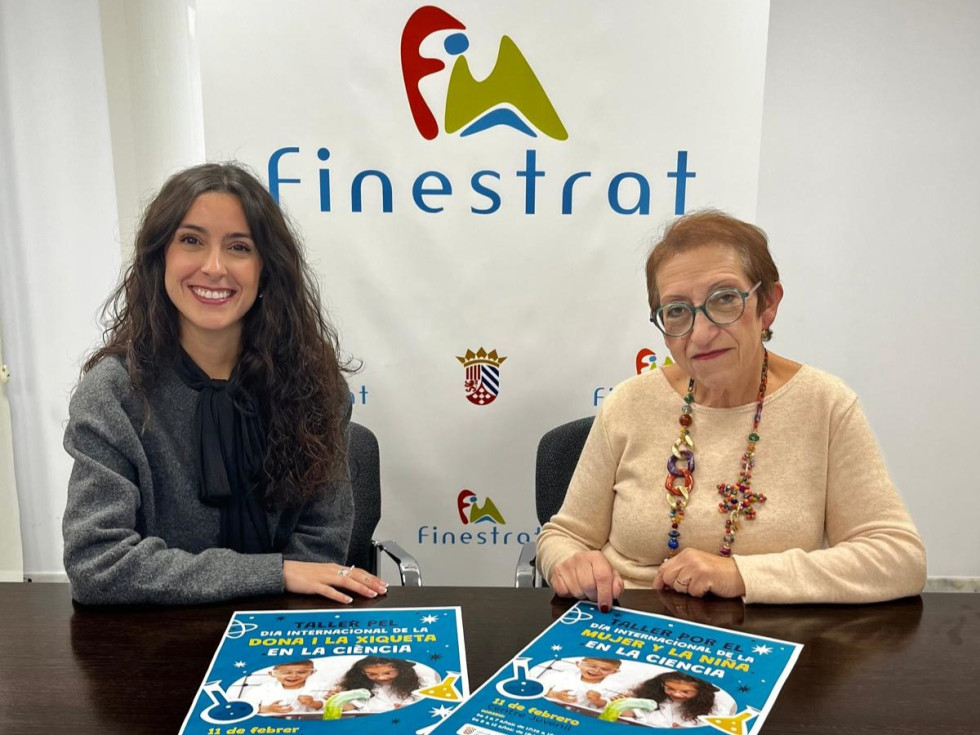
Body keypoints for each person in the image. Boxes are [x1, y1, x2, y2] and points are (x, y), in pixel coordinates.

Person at [535, 210, 926, 607]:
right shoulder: (628, 404)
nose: (701, 335)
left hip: (766, 638)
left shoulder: (826, 405)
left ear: (768, 304)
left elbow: (898, 558)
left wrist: (742, 574)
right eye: (676, 311)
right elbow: (563, 537)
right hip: (626, 629)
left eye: (724, 300)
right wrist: (570, 563)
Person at [62, 162, 388, 605]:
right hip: (153, 648)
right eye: (191, 240)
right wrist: (274, 573)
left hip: (285, 640)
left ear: (265, 269)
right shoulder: (114, 394)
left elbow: (320, 546)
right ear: (160, 258)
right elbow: (97, 564)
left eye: (239, 247)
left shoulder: (313, 381)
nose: (214, 267)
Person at [618, 672, 734, 728]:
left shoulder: (715, 708)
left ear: (701, 692)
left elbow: (715, 726)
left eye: (685, 692)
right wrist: (622, 705)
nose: (676, 694)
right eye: (670, 688)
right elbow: (634, 713)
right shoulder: (649, 695)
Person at [332, 656, 436, 713]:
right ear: (363, 672)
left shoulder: (423, 683)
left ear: (401, 670)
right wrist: (338, 701)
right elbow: (351, 706)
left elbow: (429, 706)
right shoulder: (359, 687)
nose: (381, 678)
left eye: (388, 673)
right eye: (372, 674)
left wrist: (409, 709)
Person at [241, 660, 328, 716]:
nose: (294, 676)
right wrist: (268, 709)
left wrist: (314, 703)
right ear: (272, 674)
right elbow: (244, 708)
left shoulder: (320, 687)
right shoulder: (262, 690)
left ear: (311, 672)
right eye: (286, 672)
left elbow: (330, 706)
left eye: (301, 672)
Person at [541, 657, 624, 712]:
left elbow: (619, 710)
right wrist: (555, 694)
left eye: (605, 669)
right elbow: (535, 689)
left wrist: (599, 701)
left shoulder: (615, 688)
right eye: (592, 666)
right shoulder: (562, 676)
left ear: (614, 672)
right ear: (578, 664)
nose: (597, 671)